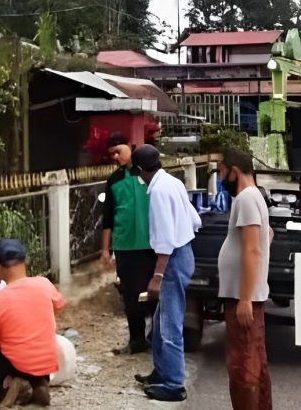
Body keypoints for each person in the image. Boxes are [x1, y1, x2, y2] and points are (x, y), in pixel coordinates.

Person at [131, 145, 202, 402]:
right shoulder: (173, 182)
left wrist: (157, 277)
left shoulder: (159, 192)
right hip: (185, 252)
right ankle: (161, 372)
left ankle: (173, 384)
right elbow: (194, 219)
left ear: (140, 170)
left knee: (169, 325)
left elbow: (164, 240)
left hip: (172, 258)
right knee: (160, 321)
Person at [0, 239, 65, 407]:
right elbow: (57, 305)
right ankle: (39, 384)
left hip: (18, 365)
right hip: (46, 364)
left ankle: (7, 387)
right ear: (25, 261)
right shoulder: (45, 284)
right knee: (36, 344)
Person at [217, 147, 272, 410]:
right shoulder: (254, 196)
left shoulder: (246, 199)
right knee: (253, 364)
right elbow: (266, 234)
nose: (219, 177)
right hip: (244, 294)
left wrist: (245, 299)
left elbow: (252, 248)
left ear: (234, 172)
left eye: (221, 171)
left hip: (243, 296)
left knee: (243, 369)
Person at [99, 132, 157, 355]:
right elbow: (107, 217)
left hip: (151, 244)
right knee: (130, 296)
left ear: (131, 147)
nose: (115, 156)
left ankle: (157, 339)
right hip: (124, 247)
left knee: (154, 294)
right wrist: (106, 250)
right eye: (112, 154)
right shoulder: (113, 180)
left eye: (118, 151)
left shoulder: (149, 174)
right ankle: (136, 341)